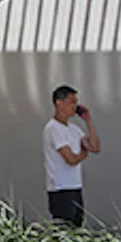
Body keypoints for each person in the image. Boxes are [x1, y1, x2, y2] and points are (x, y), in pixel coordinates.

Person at [42, 84, 100, 227]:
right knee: (64, 229)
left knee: (77, 226)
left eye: (76, 102)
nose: (75, 105)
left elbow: (95, 147)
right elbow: (71, 159)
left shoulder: (74, 129)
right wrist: (83, 154)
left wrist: (88, 121)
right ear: (58, 103)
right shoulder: (53, 128)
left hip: (75, 186)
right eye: (71, 102)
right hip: (60, 188)